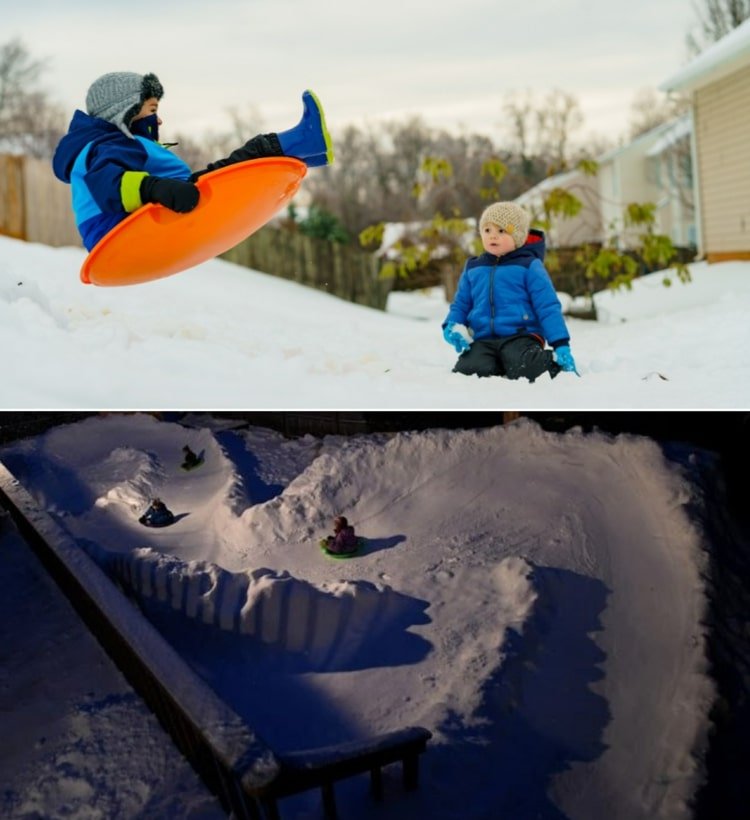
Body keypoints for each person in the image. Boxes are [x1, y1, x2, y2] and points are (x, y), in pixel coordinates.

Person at [52, 71, 334, 251]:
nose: (157, 119)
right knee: (233, 167)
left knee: (222, 172)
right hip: (118, 233)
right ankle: (302, 141)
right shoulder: (108, 145)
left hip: (126, 228)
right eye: (151, 109)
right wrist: (154, 188)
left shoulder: (107, 144)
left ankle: (307, 151)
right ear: (125, 112)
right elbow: (107, 184)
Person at [442, 201, 579, 382]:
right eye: (487, 230)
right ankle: (498, 362)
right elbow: (462, 303)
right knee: (468, 370)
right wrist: (451, 325)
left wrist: (560, 343)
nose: (493, 236)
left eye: (501, 231)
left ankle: (552, 364)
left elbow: (547, 306)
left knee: (525, 367)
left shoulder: (529, 265)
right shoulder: (473, 267)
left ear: (518, 237)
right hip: (483, 339)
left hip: (521, 337)